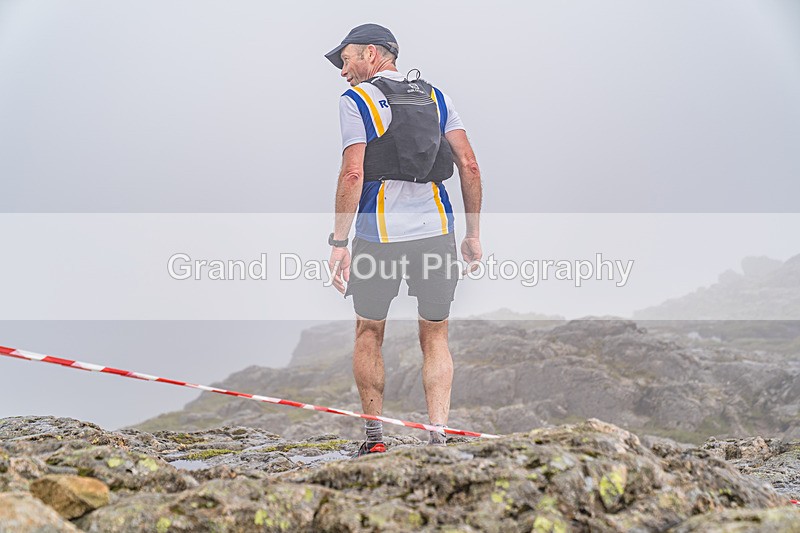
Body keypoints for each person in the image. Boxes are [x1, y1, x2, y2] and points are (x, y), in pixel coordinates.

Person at [324, 23, 483, 457]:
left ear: (372, 54)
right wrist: (472, 234)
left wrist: (339, 243)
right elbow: (468, 165)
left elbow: (353, 172)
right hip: (436, 232)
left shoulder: (357, 100)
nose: (343, 71)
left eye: (347, 59)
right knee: (436, 334)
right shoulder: (438, 97)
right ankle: (438, 437)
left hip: (379, 236)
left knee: (369, 331)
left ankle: (375, 441)